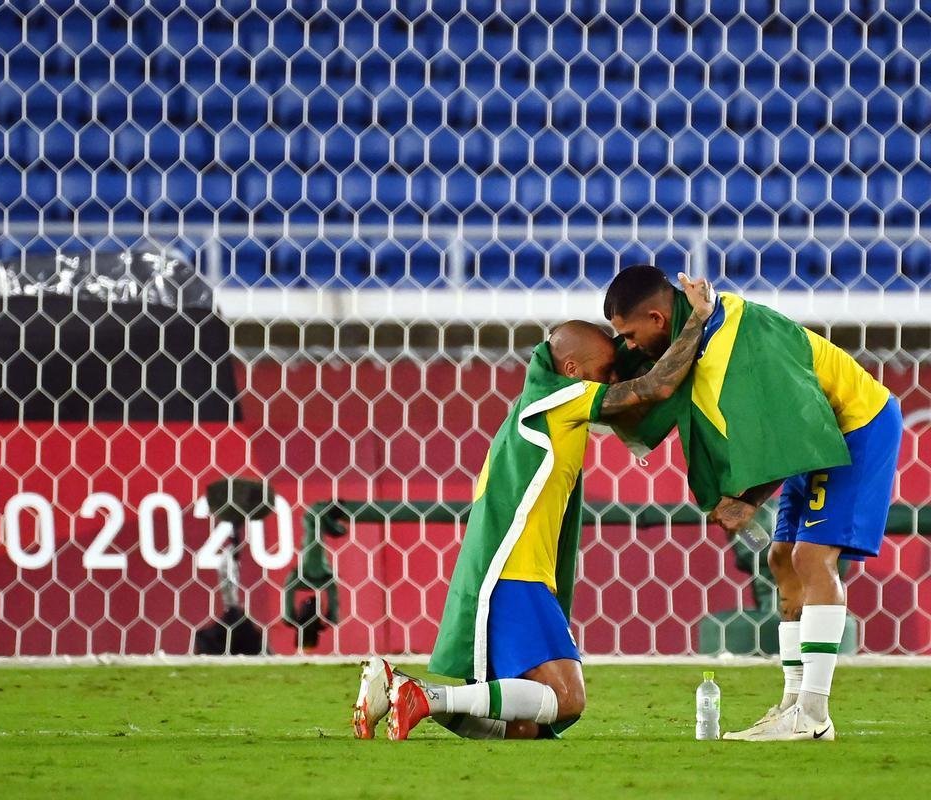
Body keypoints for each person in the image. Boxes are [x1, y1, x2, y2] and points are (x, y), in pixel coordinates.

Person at [352, 274, 716, 741]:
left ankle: (397, 690)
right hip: (516, 572)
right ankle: (420, 695)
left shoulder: (540, 403)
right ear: (571, 370)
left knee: (529, 725)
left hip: (517, 572)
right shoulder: (562, 398)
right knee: (567, 701)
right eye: (604, 373)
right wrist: (698, 322)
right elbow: (653, 389)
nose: (611, 381)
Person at [602, 265, 901, 741]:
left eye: (630, 335)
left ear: (659, 318)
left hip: (856, 426)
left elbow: (791, 428)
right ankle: (792, 702)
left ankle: (814, 713)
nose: (629, 346)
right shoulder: (701, 334)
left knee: (812, 557)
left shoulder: (738, 344)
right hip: (819, 431)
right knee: (781, 559)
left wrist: (744, 501)